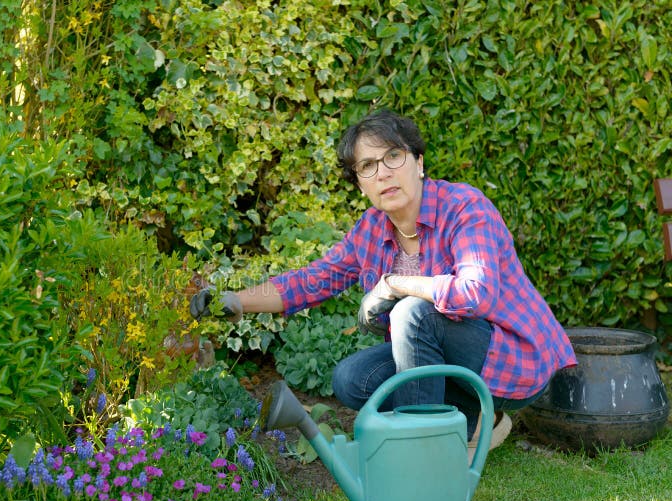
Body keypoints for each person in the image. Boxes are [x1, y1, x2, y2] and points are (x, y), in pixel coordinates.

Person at [190, 109, 577, 454]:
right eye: (368, 166)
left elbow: (474, 294)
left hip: (514, 357)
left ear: (419, 163)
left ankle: (424, 453)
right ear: (361, 184)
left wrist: (394, 284)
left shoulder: (465, 207)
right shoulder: (371, 230)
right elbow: (309, 281)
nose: (384, 172)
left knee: (413, 312)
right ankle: (473, 420)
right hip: (460, 358)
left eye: (394, 156)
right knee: (352, 380)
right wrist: (235, 300)